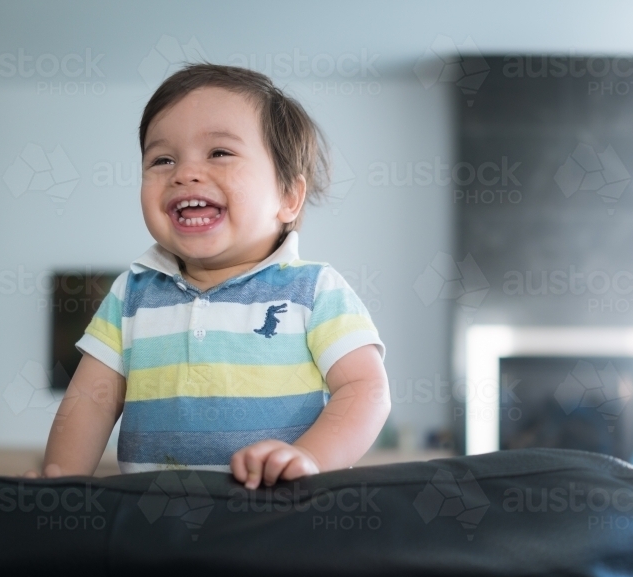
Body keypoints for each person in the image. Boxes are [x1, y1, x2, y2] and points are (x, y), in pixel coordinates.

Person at [24, 64, 390, 489]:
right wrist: (61, 482)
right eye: (162, 159)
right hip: (155, 523)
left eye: (219, 153)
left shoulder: (313, 290)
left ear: (288, 196)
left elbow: (365, 389)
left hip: (278, 517)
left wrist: (307, 457)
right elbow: (89, 401)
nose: (184, 173)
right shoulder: (132, 294)